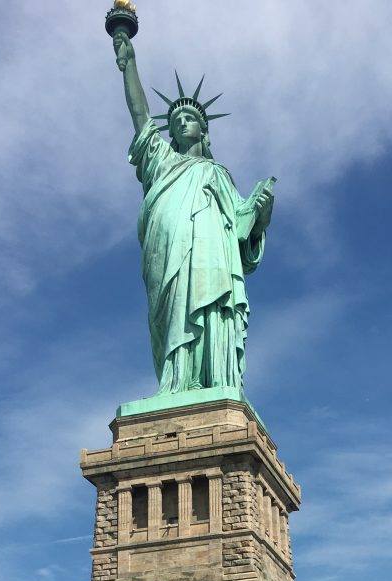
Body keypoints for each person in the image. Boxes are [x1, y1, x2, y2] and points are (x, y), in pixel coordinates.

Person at [112, 30, 275, 397]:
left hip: (211, 258)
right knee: (171, 316)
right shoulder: (162, 163)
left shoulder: (218, 175)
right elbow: (140, 116)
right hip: (166, 253)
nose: (181, 122)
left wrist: (260, 216)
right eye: (175, 119)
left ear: (204, 128)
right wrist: (129, 64)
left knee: (214, 308)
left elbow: (241, 231)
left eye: (189, 118)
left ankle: (215, 383)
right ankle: (175, 384)